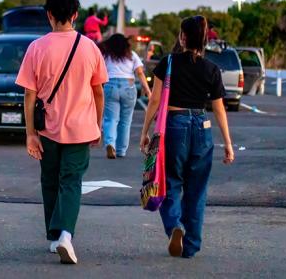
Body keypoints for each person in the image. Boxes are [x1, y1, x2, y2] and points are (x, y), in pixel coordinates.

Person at [17, 0, 108, 265]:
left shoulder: (36, 47)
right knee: (71, 182)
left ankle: (54, 236)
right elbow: (99, 92)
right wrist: (98, 124)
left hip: (48, 128)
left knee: (50, 181)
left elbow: (29, 96)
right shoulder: (90, 47)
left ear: (49, 15)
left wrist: (30, 133)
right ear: (75, 15)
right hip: (81, 128)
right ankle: (66, 234)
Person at [140, 15, 234, 259]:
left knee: (169, 182)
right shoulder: (211, 69)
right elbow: (219, 108)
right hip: (202, 126)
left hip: (175, 125)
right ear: (203, 40)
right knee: (196, 189)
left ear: (182, 37)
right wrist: (228, 143)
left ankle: (174, 227)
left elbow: (155, 100)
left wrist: (144, 131)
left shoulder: (168, 62)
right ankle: (190, 246)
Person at [100, 34, 151, 159]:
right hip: (128, 86)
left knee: (110, 119)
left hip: (110, 85)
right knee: (125, 121)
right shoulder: (132, 55)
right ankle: (121, 150)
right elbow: (139, 72)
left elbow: (99, 72)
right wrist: (147, 90)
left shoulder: (106, 56)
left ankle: (110, 143)